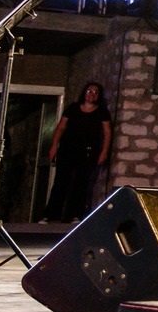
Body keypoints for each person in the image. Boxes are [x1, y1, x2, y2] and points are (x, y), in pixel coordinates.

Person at [44, 82, 111, 222]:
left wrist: (104, 151)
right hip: (67, 149)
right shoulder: (73, 108)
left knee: (81, 183)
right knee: (60, 181)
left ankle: (75, 215)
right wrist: (54, 146)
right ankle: (51, 215)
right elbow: (61, 127)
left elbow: (107, 132)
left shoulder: (102, 112)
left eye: (95, 92)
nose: (92, 94)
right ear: (84, 92)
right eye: (89, 91)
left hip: (87, 151)